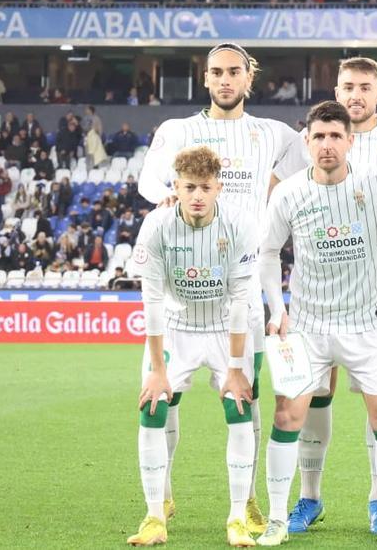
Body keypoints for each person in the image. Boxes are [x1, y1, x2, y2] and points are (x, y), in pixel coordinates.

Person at [137, 43, 307, 533]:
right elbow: (150, 183)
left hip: (242, 291)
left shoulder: (273, 134)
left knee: (244, 397)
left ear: (248, 77)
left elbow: (322, 160)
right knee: (163, 398)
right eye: (216, 73)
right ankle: (161, 497)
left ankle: (247, 500)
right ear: (205, 78)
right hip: (183, 291)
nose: (225, 80)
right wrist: (173, 195)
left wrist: (375, 124)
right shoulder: (177, 131)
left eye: (234, 72)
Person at [288, 58, 377, 536]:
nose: (355, 95)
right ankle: (309, 498)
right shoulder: (309, 138)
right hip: (315, 290)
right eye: (348, 86)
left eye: (365, 87)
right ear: (336, 88)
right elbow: (286, 196)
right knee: (314, 395)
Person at [257, 101, 377, 547]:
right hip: (306, 326)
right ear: (307, 142)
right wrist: (275, 307)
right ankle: (276, 519)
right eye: (318, 137)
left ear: (349, 141)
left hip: (367, 324)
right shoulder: (287, 192)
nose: (327, 145)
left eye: (335, 136)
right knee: (289, 415)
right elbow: (268, 253)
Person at [124, 146, 260, 547]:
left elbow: (240, 301)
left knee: (239, 407)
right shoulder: (157, 225)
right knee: (153, 406)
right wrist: (157, 369)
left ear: (219, 187)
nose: (197, 195)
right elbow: (150, 301)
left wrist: (236, 368)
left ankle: (237, 517)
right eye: (189, 187)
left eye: (205, 187)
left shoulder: (240, 224)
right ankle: (154, 515)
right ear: (175, 187)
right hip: (177, 327)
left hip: (224, 329)